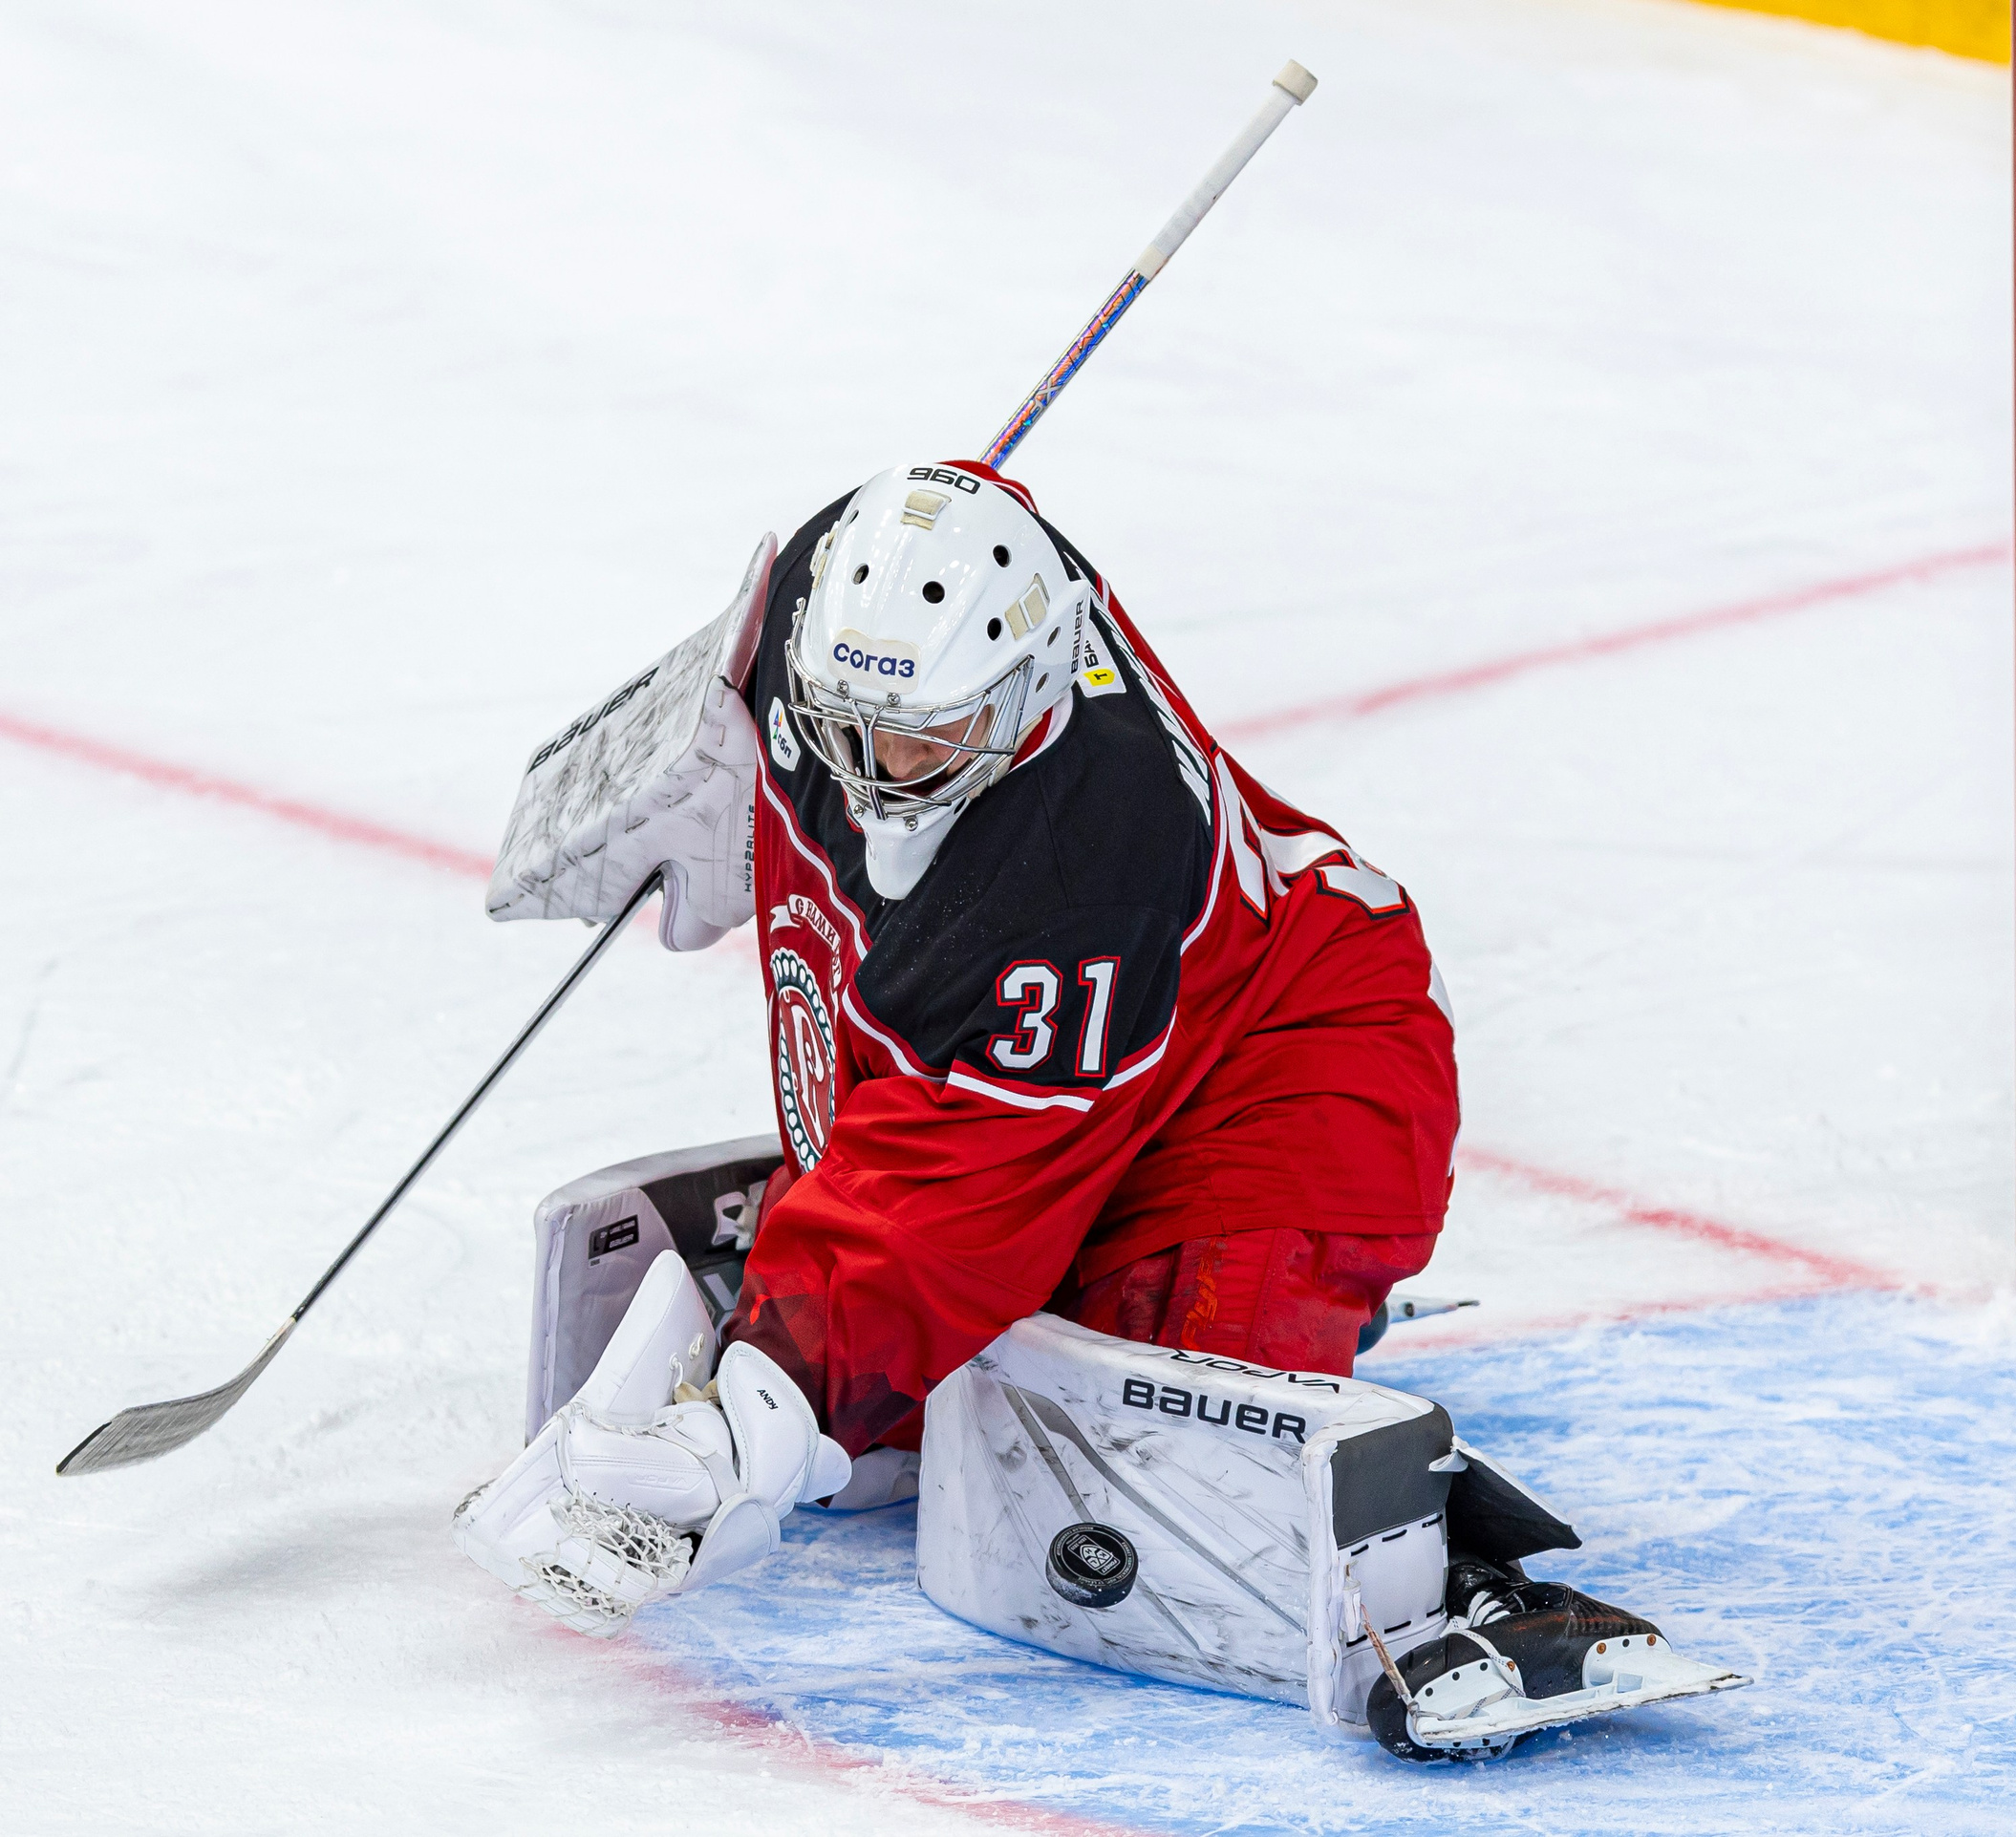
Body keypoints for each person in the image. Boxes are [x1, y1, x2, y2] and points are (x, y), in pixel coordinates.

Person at [457, 459, 1460, 1626]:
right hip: (1103, 1035)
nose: (881, 773)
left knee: (1162, 1502)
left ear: (1032, 685)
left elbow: (954, 1188)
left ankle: (1443, 1550)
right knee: (941, 1401)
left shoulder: (1085, 864)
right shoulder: (834, 598)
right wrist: (715, 728)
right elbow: (952, 511)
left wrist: (769, 1396)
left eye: (930, 737)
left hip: (1278, 1072)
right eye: (851, 727)